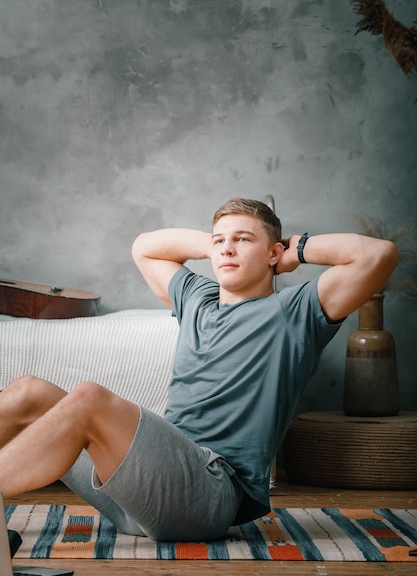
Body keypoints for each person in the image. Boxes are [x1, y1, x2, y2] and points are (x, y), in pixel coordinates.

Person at [0, 198, 397, 541]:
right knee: (29, 391)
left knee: (88, 398)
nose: (227, 249)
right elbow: (145, 247)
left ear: (273, 253)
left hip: (208, 492)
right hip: (136, 499)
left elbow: (378, 255)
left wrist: (296, 250)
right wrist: (216, 244)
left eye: (243, 239)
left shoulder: (294, 312)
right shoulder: (196, 297)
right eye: (219, 240)